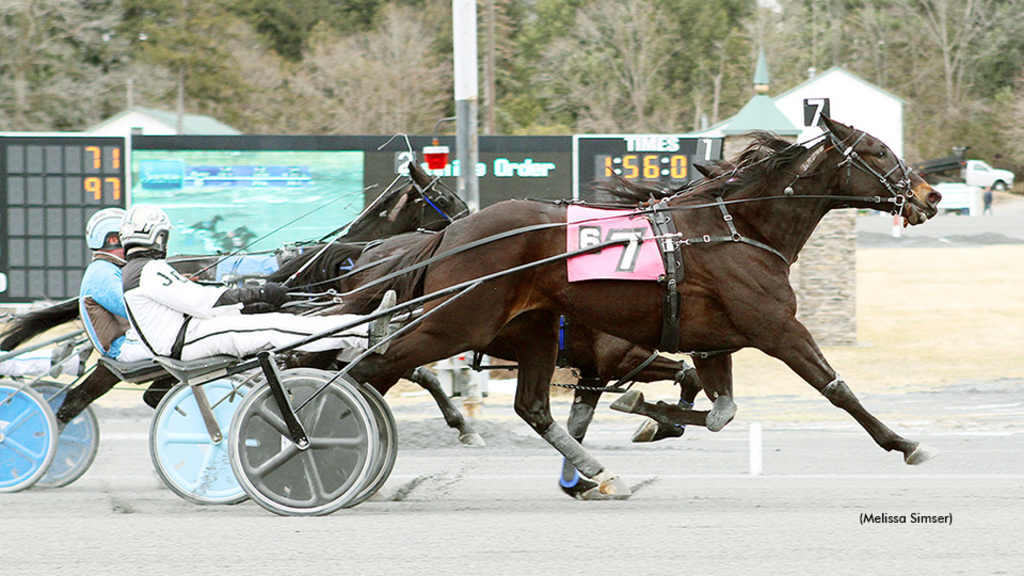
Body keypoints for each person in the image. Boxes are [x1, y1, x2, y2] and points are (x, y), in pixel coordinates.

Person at [119, 205, 397, 363]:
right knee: (280, 328)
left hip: (187, 336)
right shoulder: (149, 270)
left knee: (280, 325)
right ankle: (365, 333)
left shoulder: (139, 271)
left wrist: (247, 309)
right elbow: (200, 302)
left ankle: (357, 340)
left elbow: (193, 304)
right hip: (188, 340)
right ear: (157, 238)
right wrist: (257, 294)